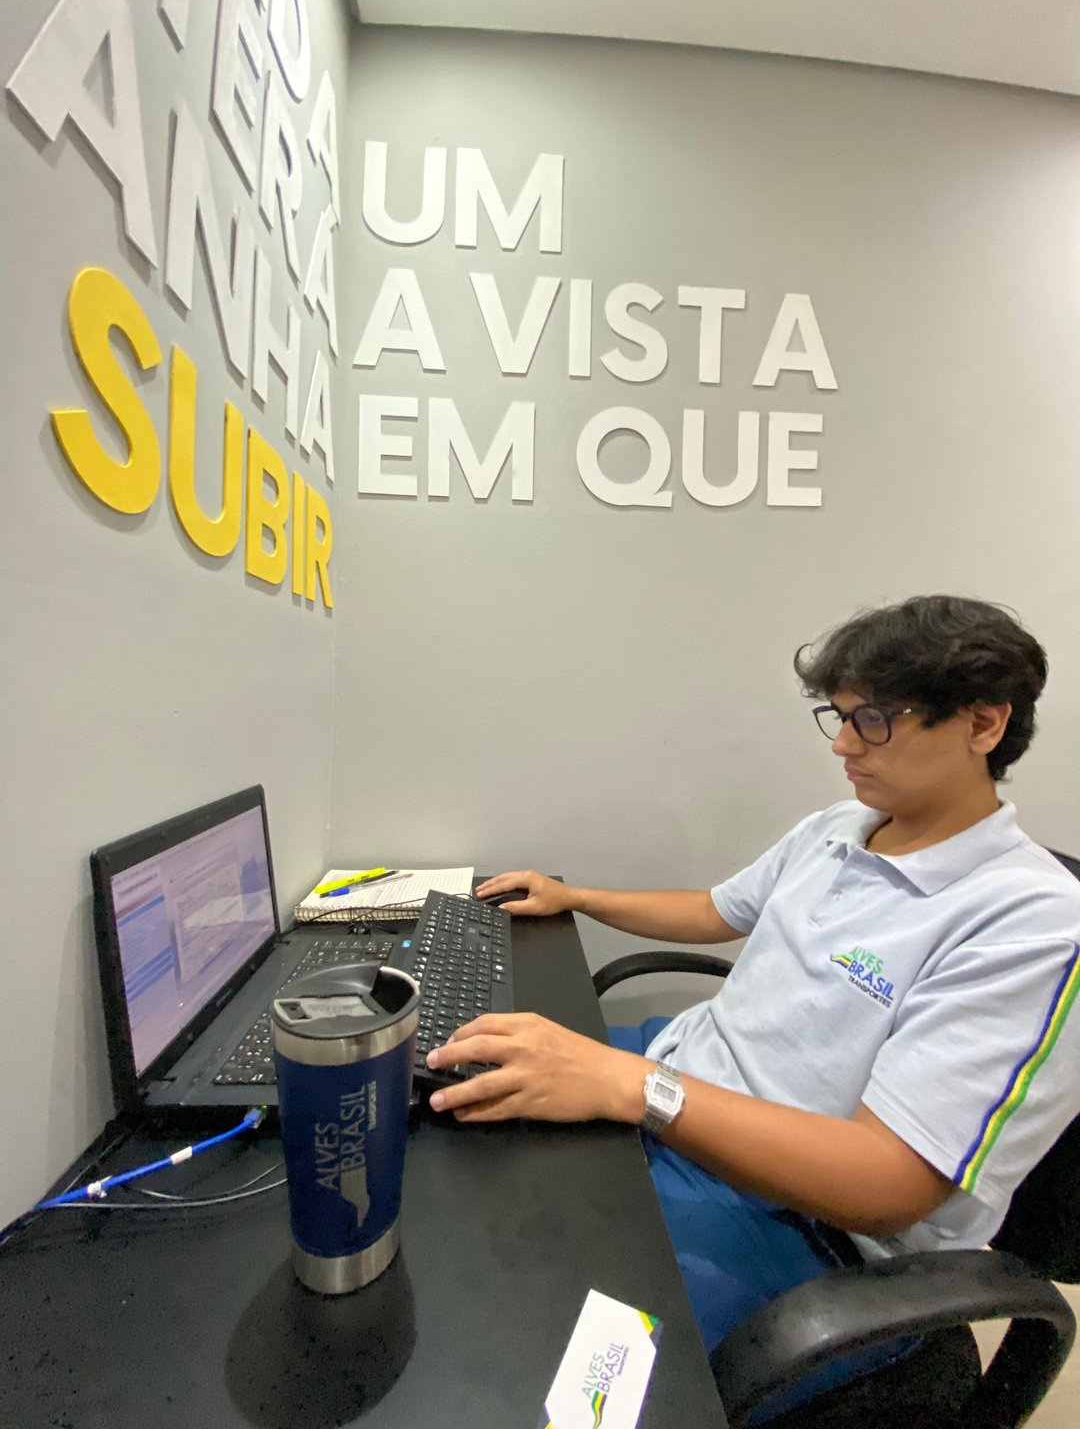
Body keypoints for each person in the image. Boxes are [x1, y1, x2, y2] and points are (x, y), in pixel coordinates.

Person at [426, 594, 1080, 1400]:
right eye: (838, 716)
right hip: (676, 1076)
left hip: (798, 1227)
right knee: (454, 1102)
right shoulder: (841, 827)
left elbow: (889, 1184)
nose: (843, 744)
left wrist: (633, 1088)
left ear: (983, 724)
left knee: (547, 1384)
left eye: (873, 720)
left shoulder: (1033, 922)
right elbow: (716, 910)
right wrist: (578, 897)